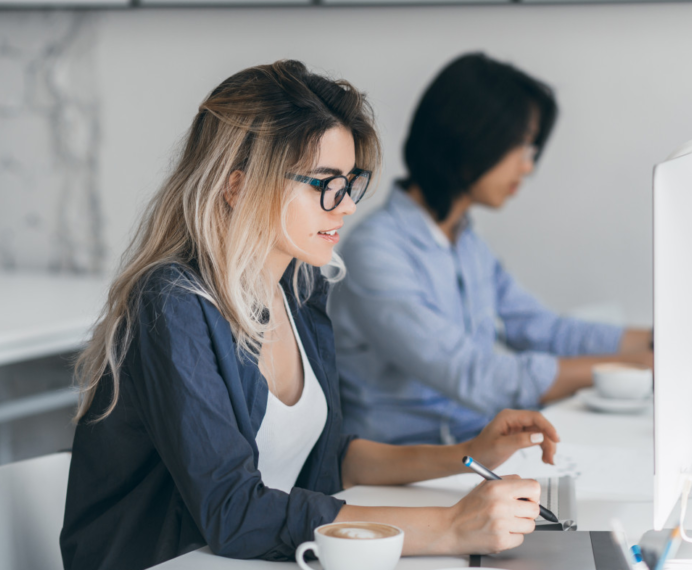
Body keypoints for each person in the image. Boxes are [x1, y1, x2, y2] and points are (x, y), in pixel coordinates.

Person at [59, 60, 561, 570]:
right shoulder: (172, 303)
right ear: (237, 187)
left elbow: (325, 457)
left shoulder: (300, 289)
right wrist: (451, 526)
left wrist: (467, 455)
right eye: (324, 182)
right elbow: (234, 512)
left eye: (349, 182)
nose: (343, 206)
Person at [328, 52, 654, 446]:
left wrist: (667, 338)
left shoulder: (466, 242)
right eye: (520, 146)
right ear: (470, 137)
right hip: (408, 471)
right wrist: (634, 367)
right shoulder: (375, 253)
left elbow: (545, 331)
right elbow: (475, 376)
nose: (528, 167)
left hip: (476, 451)